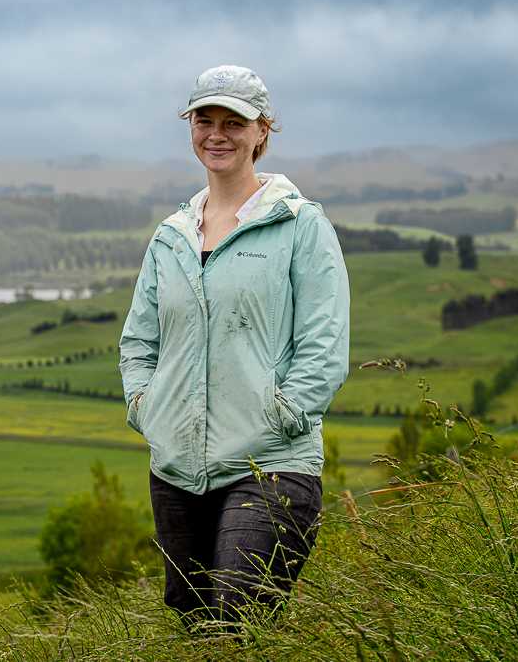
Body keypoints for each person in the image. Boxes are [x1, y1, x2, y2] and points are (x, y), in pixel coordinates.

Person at [118, 65, 350, 630]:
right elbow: (138, 339)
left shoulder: (300, 225)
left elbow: (325, 341)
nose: (216, 134)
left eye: (234, 122)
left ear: (262, 132)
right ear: (190, 127)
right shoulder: (171, 234)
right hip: (176, 465)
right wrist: (146, 408)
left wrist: (283, 415)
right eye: (204, 120)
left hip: (270, 460)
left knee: (237, 618)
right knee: (195, 627)